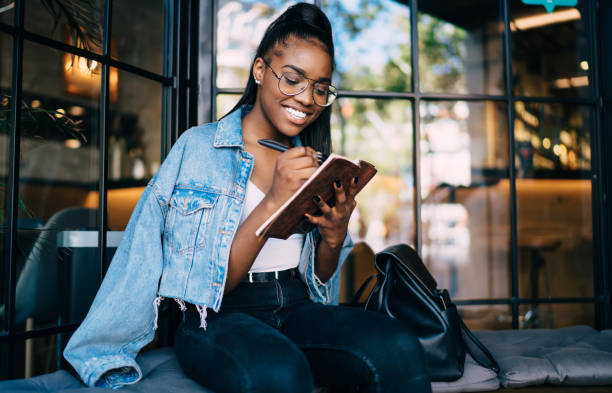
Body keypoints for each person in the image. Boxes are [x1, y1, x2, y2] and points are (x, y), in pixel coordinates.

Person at [64, 3, 431, 392]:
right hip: (217, 319)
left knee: (397, 345)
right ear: (260, 71)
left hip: (297, 303)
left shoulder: (313, 162)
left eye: (320, 88)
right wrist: (273, 200)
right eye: (293, 80)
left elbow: (320, 279)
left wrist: (335, 234)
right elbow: (203, 284)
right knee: (280, 371)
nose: (307, 99)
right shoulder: (200, 148)